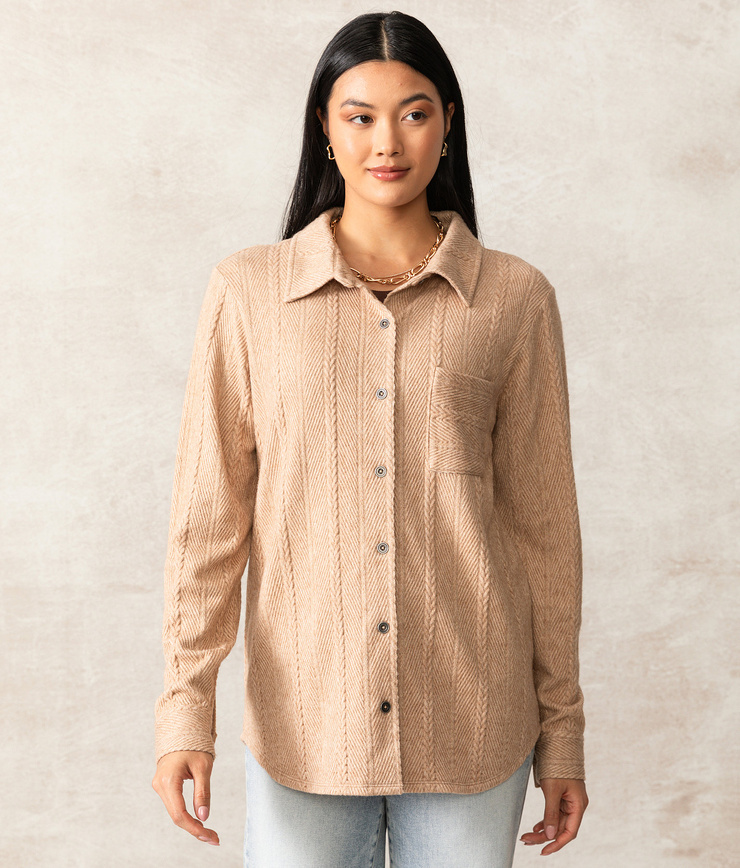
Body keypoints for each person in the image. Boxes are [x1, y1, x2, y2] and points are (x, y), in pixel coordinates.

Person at [151, 10, 589, 867]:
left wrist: (562, 731)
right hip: (303, 727)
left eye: (414, 113)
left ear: (448, 124)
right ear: (325, 127)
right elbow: (208, 525)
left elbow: (545, 534)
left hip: (475, 724)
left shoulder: (515, 299)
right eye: (360, 116)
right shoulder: (248, 294)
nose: (387, 141)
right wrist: (184, 713)